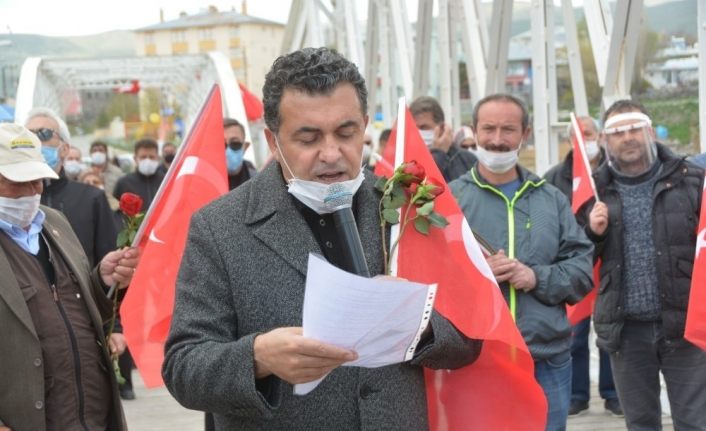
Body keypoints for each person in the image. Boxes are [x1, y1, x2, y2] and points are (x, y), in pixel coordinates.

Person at [163, 47, 482, 430]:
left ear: (364, 126)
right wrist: (258, 357)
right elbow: (183, 368)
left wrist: (420, 322)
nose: (331, 154)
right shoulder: (220, 227)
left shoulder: (407, 209)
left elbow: (471, 337)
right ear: (272, 140)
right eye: (308, 138)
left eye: (346, 133)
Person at [450, 93, 594, 431]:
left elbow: (581, 270)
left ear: (524, 134)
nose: (497, 140)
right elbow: (433, 277)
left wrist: (535, 277)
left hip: (544, 358)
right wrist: (478, 273)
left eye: (508, 129)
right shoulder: (451, 200)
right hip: (476, 359)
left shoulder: (550, 199)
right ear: (474, 131)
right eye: (488, 129)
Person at [0, 123, 139, 431]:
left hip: (91, 418)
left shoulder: (54, 223)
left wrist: (102, 281)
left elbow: (76, 310)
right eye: (18, 181)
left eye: (37, 179)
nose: (33, 191)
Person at [581, 100, 706, 430]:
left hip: (684, 329)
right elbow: (577, 261)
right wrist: (591, 233)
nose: (628, 137)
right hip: (625, 331)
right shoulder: (594, 192)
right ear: (606, 141)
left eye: (634, 127)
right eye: (617, 132)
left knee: (695, 421)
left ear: (650, 131)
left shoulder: (692, 180)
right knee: (640, 422)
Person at [543, 116, 621, 417]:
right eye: (579, 134)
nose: (585, 139)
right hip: (573, 265)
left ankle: (612, 393)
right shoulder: (554, 178)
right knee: (573, 335)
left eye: (589, 133)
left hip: (611, 262)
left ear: (600, 136)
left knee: (610, 335)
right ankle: (578, 395)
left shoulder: (614, 174)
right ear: (569, 141)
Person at [25, 107, 117, 268]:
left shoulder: (92, 198)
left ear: (65, 149)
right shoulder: (12, 200)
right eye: (27, 136)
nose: (35, 142)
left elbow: (109, 262)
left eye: (43, 134)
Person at [410, 96, 477, 182]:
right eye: (414, 128)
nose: (418, 133)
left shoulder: (465, 159)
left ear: (441, 127)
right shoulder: (406, 162)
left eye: (423, 127)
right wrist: (438, 154)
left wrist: (438, 153)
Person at [113, 138, 165, 210]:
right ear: (135, 158)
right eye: (143, 157)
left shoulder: (166, 181)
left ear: (158, 158)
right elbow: (117, 212)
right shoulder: (124, 183)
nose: (148, 160)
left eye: (151, 157)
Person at [224, 117, 257, 190]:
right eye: (222, 145)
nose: (227, 151)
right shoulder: (203, 181)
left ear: (245, 146)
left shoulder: (258, 183)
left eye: (235, 143)